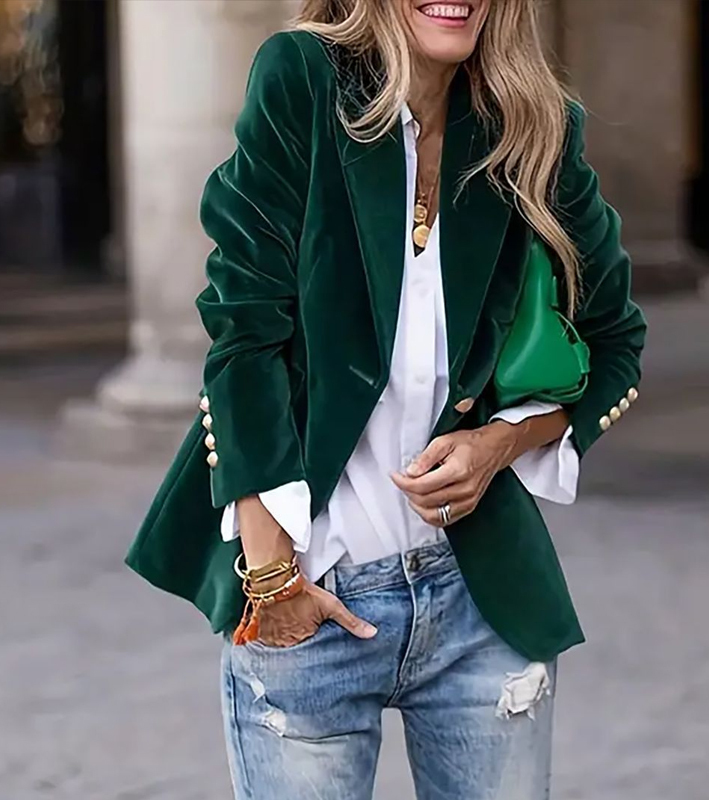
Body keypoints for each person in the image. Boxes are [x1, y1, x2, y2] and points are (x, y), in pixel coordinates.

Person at [126, 1, 646, 798]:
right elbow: (244, 336)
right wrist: (272, 583)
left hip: (479, 604)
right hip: (310, 593)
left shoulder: (533, 126)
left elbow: (615, 342)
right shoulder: (303, 81)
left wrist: (499, 444)